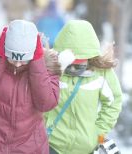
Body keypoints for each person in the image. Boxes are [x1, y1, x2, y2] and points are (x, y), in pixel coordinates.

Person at [0, 19, 62, 154]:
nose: (17, 64)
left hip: (29, 148)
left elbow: (46, 103)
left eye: (23, 59)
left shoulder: (47, 65)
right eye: (13, 58)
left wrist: (37, 63)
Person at [44, 20, 123, 154]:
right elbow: (39, 98)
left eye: (80, 64)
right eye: (71, 64)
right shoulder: (51, 69)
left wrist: (98, 131)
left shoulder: (102, 74)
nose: (74, 68)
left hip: (86, 148)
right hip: (51, 145)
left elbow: (114, 101)